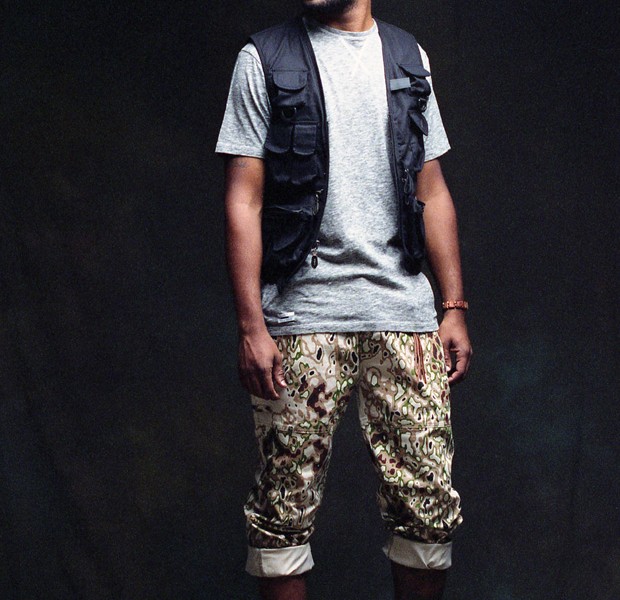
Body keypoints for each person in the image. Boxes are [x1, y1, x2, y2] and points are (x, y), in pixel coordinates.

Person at [216, 0, 472, 598]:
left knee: (427, 509)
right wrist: (251, 325)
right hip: (301, 319)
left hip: (404, 316)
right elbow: (244, 198)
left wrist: (453, 306)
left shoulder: (408, 57)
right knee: (282, 509)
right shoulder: (264, 58)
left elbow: (432, 188)